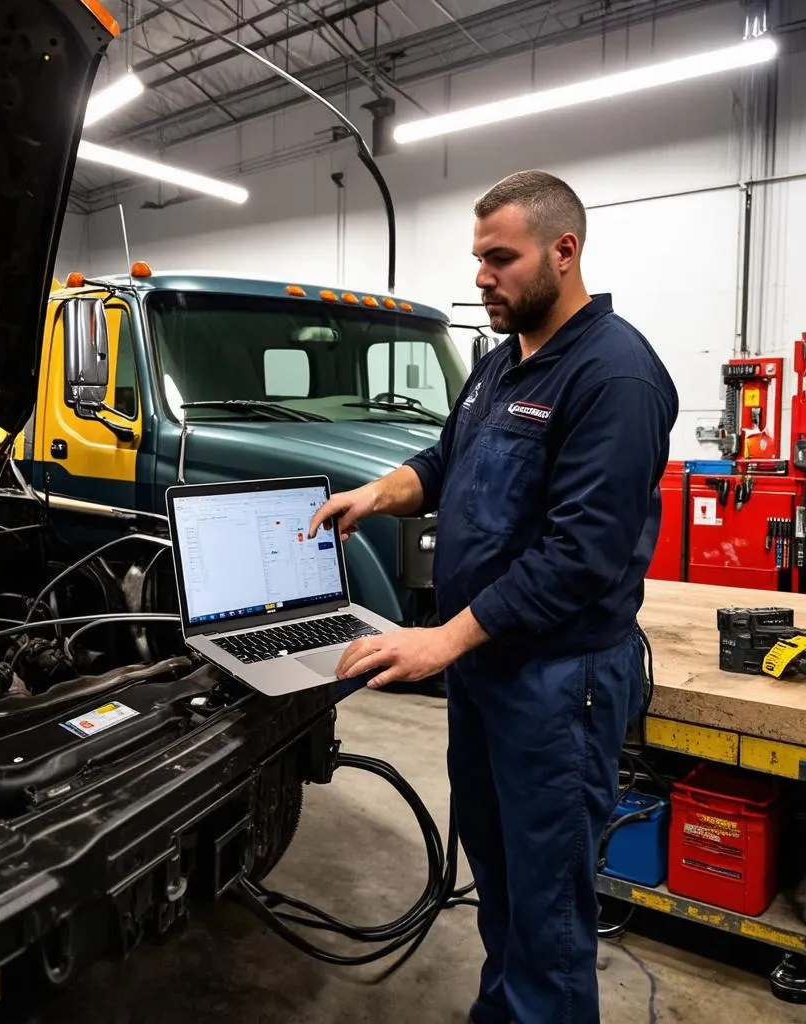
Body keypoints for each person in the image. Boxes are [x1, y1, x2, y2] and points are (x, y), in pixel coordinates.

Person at [308, 169, 679, 1024]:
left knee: (547, 911)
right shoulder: (501, 365)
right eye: (477, 258)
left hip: (558, 684)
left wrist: (442, 639)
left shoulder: (613, 377)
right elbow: (447, 462)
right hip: (489, 673)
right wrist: (379, 492)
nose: (482, 278)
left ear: (564, 250)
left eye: (499, 259)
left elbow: (581, 556)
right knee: (504, 883)